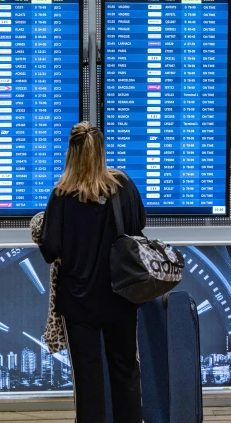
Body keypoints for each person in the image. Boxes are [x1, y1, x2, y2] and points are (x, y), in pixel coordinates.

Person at [39, 122, 144, 423]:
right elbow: (138, 227)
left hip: (79, 302)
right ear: (101, 150)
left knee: (88, 380)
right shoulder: (122, 186)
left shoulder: (61, 196)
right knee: (125, 372)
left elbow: (49, 250)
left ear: (70, 153)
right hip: (121, 296)